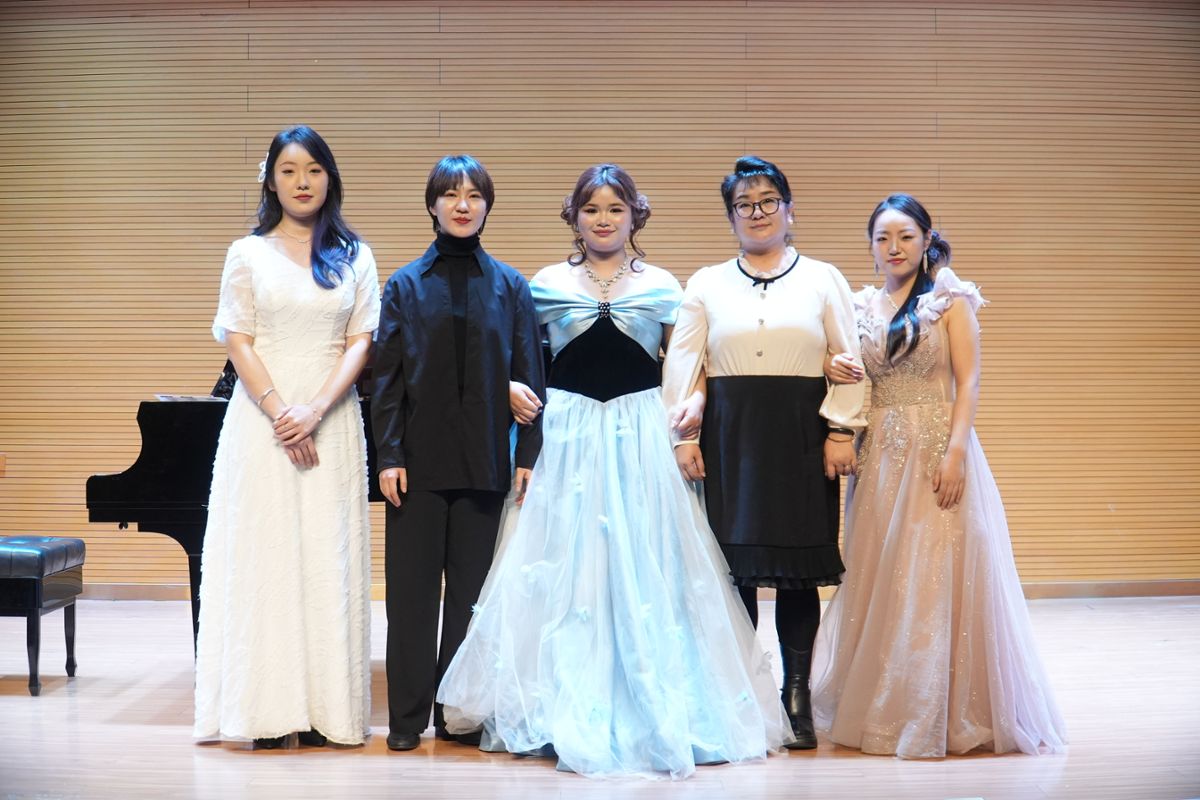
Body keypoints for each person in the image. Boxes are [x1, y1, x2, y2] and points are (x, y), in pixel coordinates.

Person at [436, 164, 793, 779]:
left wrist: (696, 401)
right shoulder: (545, 284)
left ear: (634, 216)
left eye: (615, 209)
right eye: (592, 209)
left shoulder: (663, 286)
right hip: (567, 432)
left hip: (641, 432)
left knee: (648, 559)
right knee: (562, 561)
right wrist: (513, 390)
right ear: (574, 218)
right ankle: (554, 704)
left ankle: (659, 701)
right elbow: (514, 354)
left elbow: (692, 361)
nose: (603, 220)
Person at [810, 194, 1068, 758]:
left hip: (935, 446)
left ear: (926, 240)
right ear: (870, 245)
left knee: (932, 571)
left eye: (906, 236)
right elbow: (846, 371)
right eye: (883, 237)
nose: (894, 247)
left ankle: (944, 708)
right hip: (879, 454)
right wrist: (833, 364)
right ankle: (884, 703)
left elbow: (969, 381)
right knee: (881, 573)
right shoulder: (860, 306)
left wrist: (955, 453)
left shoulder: (949, 299)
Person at [660, 156, 865, 750]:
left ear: (789, 210)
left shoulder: (823, 277)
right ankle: (742, 694)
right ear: (731, 218)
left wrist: (841, 430)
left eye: (768, 200)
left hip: (802, 433)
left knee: (800, 572)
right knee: (736, 571)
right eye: (743, 205)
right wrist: (683, 438)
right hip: (730, 434)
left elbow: (848, 358)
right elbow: (684, 365)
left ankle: (795, 697)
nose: (757, 212)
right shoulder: (706, 282)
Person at [193, 125, 379, 749]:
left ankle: (329, 713)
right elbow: (238, 339)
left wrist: (316, 409)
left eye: (314, 170)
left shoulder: (355, 255)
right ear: (271, 181)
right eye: (290, 171)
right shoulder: (246, 253)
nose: (303, 182)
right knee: (265, 559)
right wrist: (281, 413)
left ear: (330, 179)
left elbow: (361, 341)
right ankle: (266, 714)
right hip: (260, 421)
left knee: (329, 557)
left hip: (333, 419)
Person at [371, 155, 545, 753]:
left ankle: (457, 715)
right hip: (415, 466)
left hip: (486, 465)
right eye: (450, 194)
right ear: (432, 205)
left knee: (471, 601)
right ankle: (405, 720)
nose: (463, 204)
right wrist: (388, 456)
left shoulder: (511, 286)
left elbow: (530, 377)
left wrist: (527, 456)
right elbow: (387, 382)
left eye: (474, 194)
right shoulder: (403, 285)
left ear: (488, 206)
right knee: (411, 600)